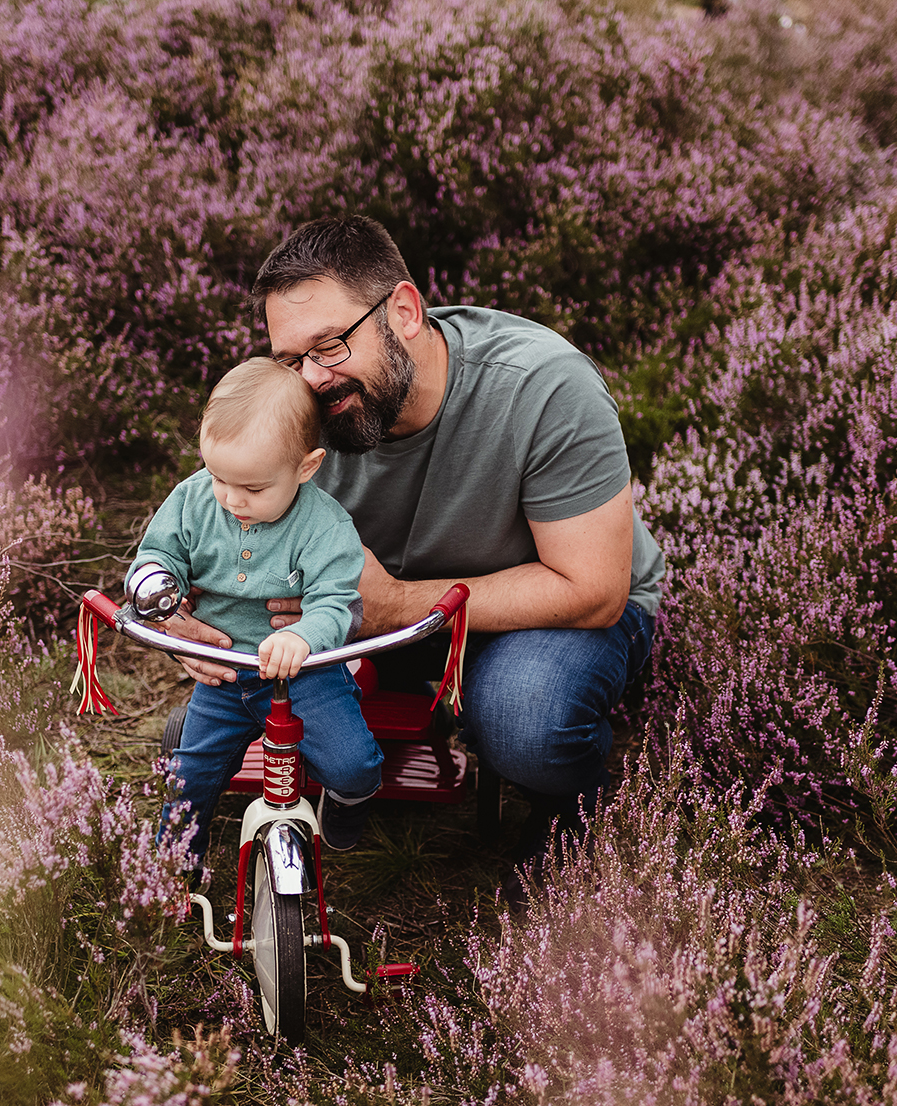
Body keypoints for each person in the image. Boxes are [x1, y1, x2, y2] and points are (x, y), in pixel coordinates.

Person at [165, 215, 666, 893]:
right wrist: (175, 606)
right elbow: (207, 513)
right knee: (206, 727)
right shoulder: (304, 408)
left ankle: (573, 799)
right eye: (289, 359)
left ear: (402, 311)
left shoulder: (544, 386)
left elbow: (595, 587)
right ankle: (419, 710)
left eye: (331, 345)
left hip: (544, 610)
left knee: (525, 720)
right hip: (371, 613)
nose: (311, 378)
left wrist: (395, 607)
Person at [133, 357, 384, 870]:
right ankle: (174, 870)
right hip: (226, 673)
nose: (231, 499)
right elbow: (158, 553)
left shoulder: (325, 527)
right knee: (188, 776)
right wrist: (156, 586)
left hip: (306, 675)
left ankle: (347, 802)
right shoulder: (195, 499)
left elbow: (336, 602)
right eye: (219, 477)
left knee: (354, 765)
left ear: (306, 466)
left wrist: (306, 637)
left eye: (253, 489)